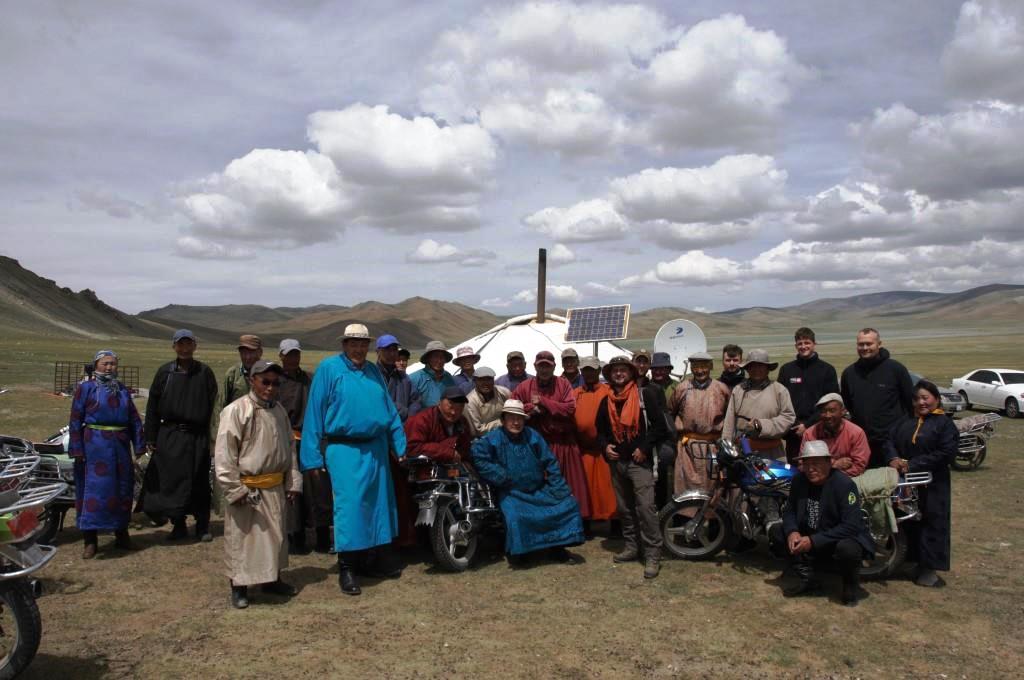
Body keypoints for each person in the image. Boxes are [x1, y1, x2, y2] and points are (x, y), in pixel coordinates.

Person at [300, 324, 407, 596]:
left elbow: (389, 411)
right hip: (344, 448)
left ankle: (371, 560)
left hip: (376, 448)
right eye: (353, 343)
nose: (358, 348)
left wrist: (399, 443)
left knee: (378, 506)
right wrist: (311, 458)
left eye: (363, 344)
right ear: (344, 345)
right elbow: (314, 412)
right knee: (351, 507)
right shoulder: (329, 369)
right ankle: (347, 566)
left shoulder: (372, 371)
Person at [215, 360, 302, 609]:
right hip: (248, 487)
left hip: (274, 486)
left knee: (275, 537)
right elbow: (224, 455)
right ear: (253, 380)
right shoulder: (236, 411)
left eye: (276, 383)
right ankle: (239, 586)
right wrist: (234, 489)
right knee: (244, 540)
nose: (271, 388)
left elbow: (290, 448)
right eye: (265, 382)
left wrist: (293, 481)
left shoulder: (280, 412)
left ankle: (271, 580)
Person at [471, 400, 585, 566]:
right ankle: (523, 552)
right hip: (511, 491)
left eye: (520, 418)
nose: (516, 422)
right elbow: (478, 455)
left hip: (539, 489)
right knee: (516, 515)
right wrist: (500, 475)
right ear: (503, 420)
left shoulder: (533, 435)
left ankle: (556, 549)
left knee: (568, 505)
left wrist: (559, 489)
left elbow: (550, 462)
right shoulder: (493, 438)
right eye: (511, 418)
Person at [770, 440, 874, 606]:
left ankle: (849, 585)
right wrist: (792, 532)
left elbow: (851, 526)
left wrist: (813, 541)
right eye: (807, 464)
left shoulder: (845, 485)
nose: (811, 469)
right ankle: (807, 577)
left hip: (835, 538)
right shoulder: (799, 480)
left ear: (829, 463)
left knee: (848, 548)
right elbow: (789, 510)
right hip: (810, 532)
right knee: (777, 531)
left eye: (816, 464)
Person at [595, 355, 668, 579]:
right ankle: (632, 546)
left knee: (645, 508)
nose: (618, 373)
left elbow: (659, 427)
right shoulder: (606, 399)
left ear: (631, 372)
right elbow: (600, 430)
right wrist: (605, 446)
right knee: (625, 508)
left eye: (622, 369)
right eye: (614, 370)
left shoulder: (645, 394)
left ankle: (653, 553)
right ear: (609, 375)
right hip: (618, 462)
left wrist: (644, 448)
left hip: (640, 462)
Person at [67, 350, 145, 559]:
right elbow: (75, 419)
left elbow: (134, 419)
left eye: (113, 364)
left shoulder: (122, 390)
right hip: (94, 446)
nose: (109, 367)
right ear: (96, 365)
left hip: (119, 446)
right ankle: (90, 540)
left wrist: (139, 445)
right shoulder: (86, 388)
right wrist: (76, 449)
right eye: (105, 363)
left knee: (122, 490)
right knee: (93, 492)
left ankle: (121, 534)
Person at [143, 329, 218, 542]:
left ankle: (202, 525)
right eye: (180, 344)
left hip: (197, 435)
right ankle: (178, 524)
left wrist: (212, 438)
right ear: (174, 347)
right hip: (170, 434)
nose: (184, 348)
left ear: (195, 346)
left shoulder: (204, 373)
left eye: (188, 344)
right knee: (172, 481)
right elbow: (152, 407)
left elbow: (213, 406)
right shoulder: (164, 373)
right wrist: (150, 437)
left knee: (200, 480)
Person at [885, 380, 958, 588]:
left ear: (936, 398)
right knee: (909, 519)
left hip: (933, 483)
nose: (921, 402)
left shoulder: (944, 424)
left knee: (932, 522)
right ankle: (911, 561)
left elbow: (946, 453)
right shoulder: (905, 420)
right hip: (907, 482)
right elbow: (888, 440)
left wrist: (913, 464)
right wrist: (893, 459)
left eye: (925, 398)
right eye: (917, 399)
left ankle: (929, 568)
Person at [512, 351, 592, 519]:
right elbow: (513, 408)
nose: (544, 369)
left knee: (569, 484)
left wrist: (544, 402)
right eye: (541, 366)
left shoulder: (563, 385)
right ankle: (544, 520)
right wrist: (531, 409)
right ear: (535, 366)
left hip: (563, 443)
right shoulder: (524, 386)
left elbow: (569, 408)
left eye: (547, 366)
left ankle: (573, 520)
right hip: (536, 445)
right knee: (540, 484)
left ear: (554, 367)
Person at [277, 339, 330, 555]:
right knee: (292, 490)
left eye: (295, 354)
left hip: (311, 440)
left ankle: (323, 537)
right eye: (288, 355)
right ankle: (296, 537)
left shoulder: (311, 379)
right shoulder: (275, 381)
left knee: (318, 490)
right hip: (285, 442)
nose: (292, 358)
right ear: (281, 356)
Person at [841, 328, 914, 468]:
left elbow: (910, 403)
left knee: (896, 482)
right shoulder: (849, 373)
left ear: (879, 344)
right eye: (861, 344)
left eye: (869, 344)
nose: (865, 348)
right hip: (862, 441)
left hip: (893, 441)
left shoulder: (896, 369)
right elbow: (849, 404)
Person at [667, 351, 731, 495]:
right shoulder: (682, 388)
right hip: (687, 448)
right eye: (696, 366)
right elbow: (670, 413)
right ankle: (685, 517)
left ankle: (712, 517)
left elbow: (729, 417)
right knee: (686, 488)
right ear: (691, 367)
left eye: (704, 366)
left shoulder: (721, 389)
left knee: (712, 488)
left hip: (713, 447)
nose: (700, 370)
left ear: (711, 366)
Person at [778, 328, 839, 462]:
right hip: (793, 432)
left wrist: (808, 425)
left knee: (819, 468)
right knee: (795, 470)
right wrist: (794, 425)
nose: (803, 346)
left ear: (814, 344)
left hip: (820, 430)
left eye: (807, 343)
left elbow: (831, 402)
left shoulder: (827, 370)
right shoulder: (787, 370)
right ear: (795, 346)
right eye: (800, 343)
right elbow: (780, 401)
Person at [722, 349, 795, 461]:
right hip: (742, 452)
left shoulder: (779, 390)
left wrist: (761, 425)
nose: (756, 369)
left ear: (767, 369)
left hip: (772, 453)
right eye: (752, 366)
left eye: (760, 366)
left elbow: (788, 418)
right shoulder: (739, 389)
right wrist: (726, 447)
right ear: (747, 369)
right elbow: (729, 422)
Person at [572, 357, 617, 529]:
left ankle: (615, 524)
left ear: (598, 371)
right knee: (584, 488)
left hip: (604, 449)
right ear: (581, 372)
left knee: (609, 488)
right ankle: (586, 524)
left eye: (592, 369)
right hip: (584, 449)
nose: (589, 373)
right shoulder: (575, 394)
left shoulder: (609, 392)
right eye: (586, 370)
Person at [801, 394, 870, 477]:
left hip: (848, 479)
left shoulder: (856, 433)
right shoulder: (810, 433)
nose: (827, 415)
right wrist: (834, 464)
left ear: (843, 411)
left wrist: (832, 476)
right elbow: (802, 464)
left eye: (832, 410)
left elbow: (858, 466)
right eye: (823, 411)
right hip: (817, 480)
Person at [404, 385, 473, 463]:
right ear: (439, 403)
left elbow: (465, 448)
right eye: (450, 406)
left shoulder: (462, 421)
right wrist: (448, 452)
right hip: (422, 467)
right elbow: (412, 447)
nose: (453, 412)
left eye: (459, 408)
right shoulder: (421, 420)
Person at [649, 352, 678, 507]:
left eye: (663, 368)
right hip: (650, 439)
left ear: (668, 369)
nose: (659, 372)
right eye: (656, 369)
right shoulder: (644, 386)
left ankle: (670, 513)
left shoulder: (677, 388)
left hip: (670, 440)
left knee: (670, 479)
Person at [377, 334, 421, 422]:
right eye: (387, 350)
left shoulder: (404, 377)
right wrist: (402, 411)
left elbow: (415, 400)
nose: (392, 353)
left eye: (395, 350)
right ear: (378, 352)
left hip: (403, 427)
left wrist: (410, 416)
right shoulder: (373, 376)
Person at [464, 367, 510, 438]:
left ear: (493, 380)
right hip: (483, 438)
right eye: (481, 380)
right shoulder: (470, 401)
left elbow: (513, 410)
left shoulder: (504, 392)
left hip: (506, 432)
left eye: (489, 379)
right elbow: (478, 430)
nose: (485, 383)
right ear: (475, 381)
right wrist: (502, 422)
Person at [409, 340, 456, 408]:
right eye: (435, 356)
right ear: (428, 358)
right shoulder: (415, 379)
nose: (439, 361)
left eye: (442, 357)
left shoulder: (449, 378)